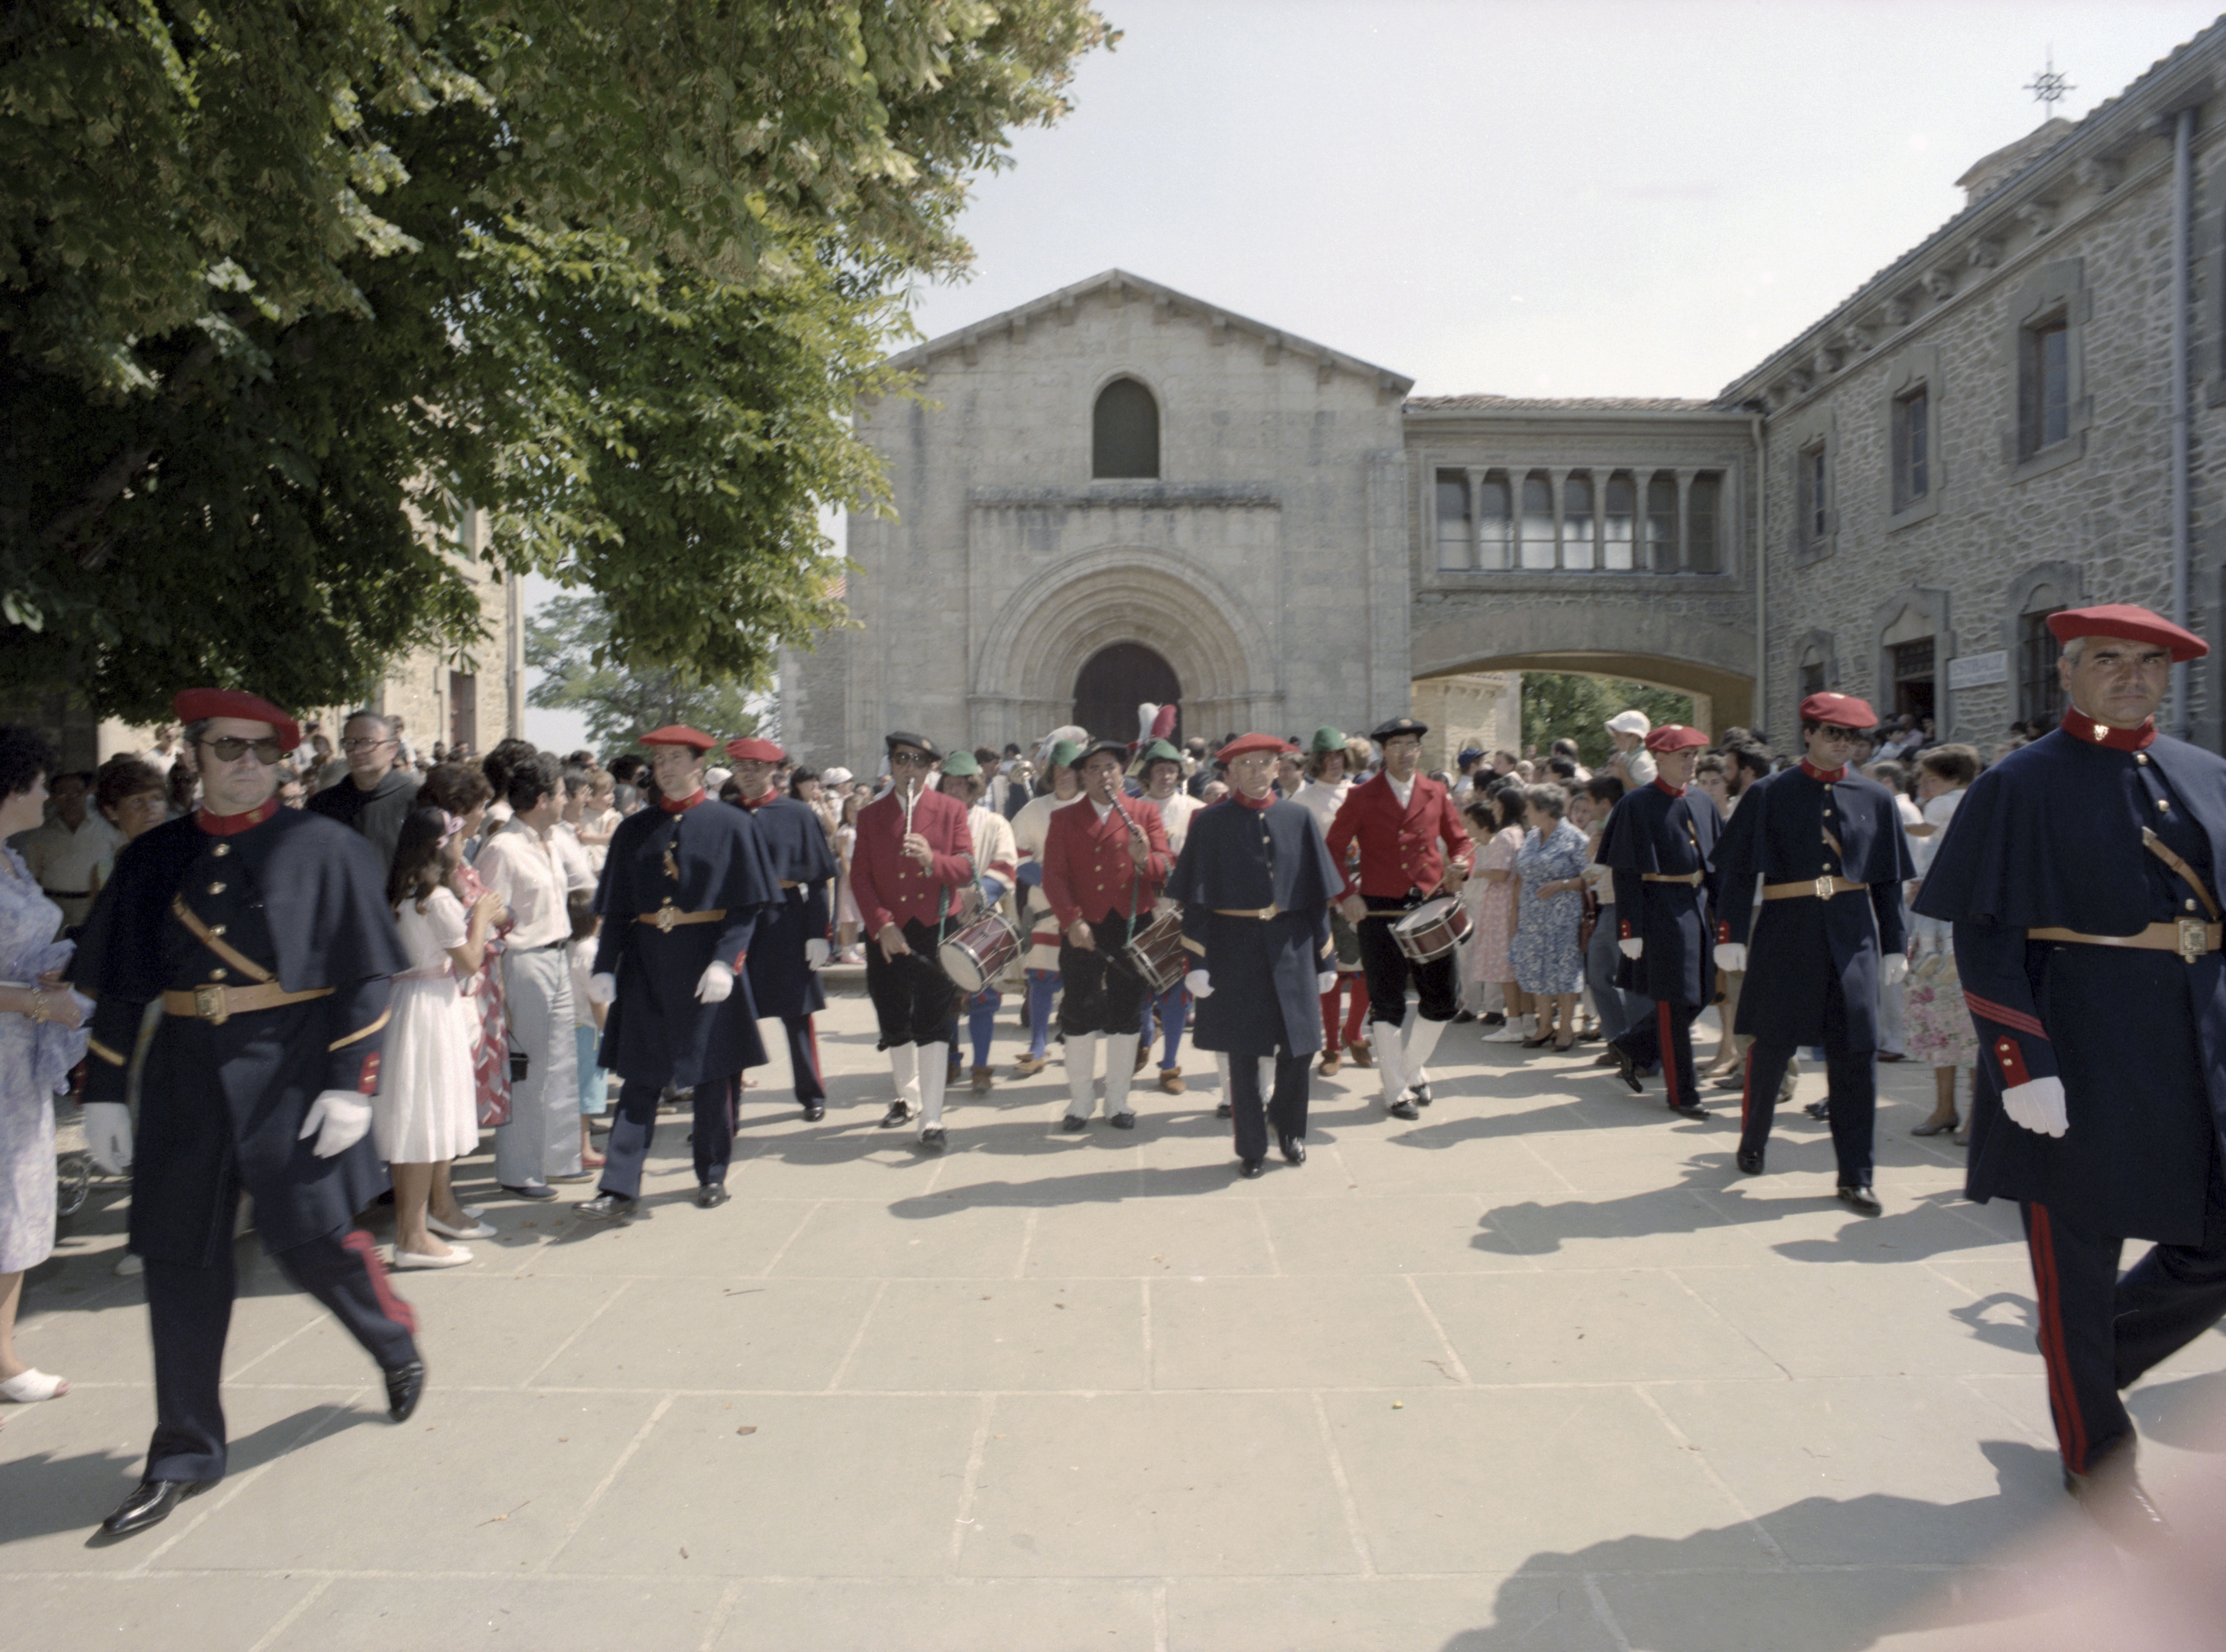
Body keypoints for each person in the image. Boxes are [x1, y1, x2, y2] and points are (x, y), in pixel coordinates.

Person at [72, 689, 419, 1538]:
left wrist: (353, 1081)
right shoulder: (153, 858)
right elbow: (121, 984)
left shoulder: (325, 847)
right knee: (178, 1259)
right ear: (193, 753)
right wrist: (105, 1091)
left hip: (292, 1071)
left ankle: (391, 1335)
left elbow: (365, 975)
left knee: (312, 1241)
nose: (249, 763)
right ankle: (183, 1450)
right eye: (229, 747)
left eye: (265, 750)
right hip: (186, 1075)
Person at [1914, 605, 2226, 1534]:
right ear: (2067, 671)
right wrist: (2023, 1063)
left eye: (2149, 661)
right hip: (2077, 1052)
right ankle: (2097, 1460)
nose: (2131, 675)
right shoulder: (2019, 783)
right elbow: (1985, 938)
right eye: (2108, 659)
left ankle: (2084, 1360)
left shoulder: (2205, 773)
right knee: (2079, 1267)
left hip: (2194, 1047)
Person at [1713, 692, 1915, 1215]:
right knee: (1772, 1044)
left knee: (1857, 1053)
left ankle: (1857, 1174)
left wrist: (1895, 944)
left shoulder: (1875, 797)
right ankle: (1753, 1138)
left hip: (1853, 936)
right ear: (1808, 733)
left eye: (1851, 736)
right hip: (1787, 932)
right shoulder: (1770, 792)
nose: (1842, 743)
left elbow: (1888, 880)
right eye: (1832, 733)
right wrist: (1730, 934)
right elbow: (1739, 870)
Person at [579, 727, 780, 1212]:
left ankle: (712, 1173)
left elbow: (746, 907)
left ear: (698, 764)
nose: (665, 768)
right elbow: (618, 908)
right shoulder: (633, 830)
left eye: (675, 758)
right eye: (659, 760)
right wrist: (605, 966)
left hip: (705, 961)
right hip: (646, 965)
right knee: (640, 1076)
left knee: (713, 1075)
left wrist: (725, 961)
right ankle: (618, 1185)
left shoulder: (732, 824)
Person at [1167, 734, 1341, 1177]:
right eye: (1246, 765)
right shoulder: (1210, 823)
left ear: (1278, 768)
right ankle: (1251, 1146)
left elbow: (1317, 897)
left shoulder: (1298, 818)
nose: (1257, 772)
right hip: (1234, 948)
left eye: (1265, 763)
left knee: (1300, 1048)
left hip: (1292, 946)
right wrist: (1197, 963)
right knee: (1243, 1053)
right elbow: (1196, 902)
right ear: (1230, 772)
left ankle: (1290, 1128)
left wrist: (1325, 957)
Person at [0, 726, 91, 1407]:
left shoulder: (12, 861)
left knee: (18, 1197)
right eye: (39, 786)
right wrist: (37, 1001)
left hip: (19, 1058)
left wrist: (50, 975)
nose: (49, 797)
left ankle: (3, 1354)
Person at [1325, 715, 1472, 1120]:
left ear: (1420, 750)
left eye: (1412, 745)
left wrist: (1462, 863)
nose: (1405, 753)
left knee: (1442, 1001)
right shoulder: (1362, 796)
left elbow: (1460, 841)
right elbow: (1332, 849)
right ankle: (1394, 1089)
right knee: (1387, 1002)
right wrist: (1347, 895)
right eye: (1396, 746)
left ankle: (1409, 1068)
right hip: (1379, 911)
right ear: (1383, 751)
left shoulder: (1436, 791)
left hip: (1430, 908)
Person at [376, 807, 500, 1268]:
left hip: (409, 1003)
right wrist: (481, 915)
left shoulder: (401, 892)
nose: (463, 844)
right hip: (430, 1007)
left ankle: (427, 1220)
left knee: (420, 1114)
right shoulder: (437, 898)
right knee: (422, 1118)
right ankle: (412, 1237)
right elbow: (469, 960)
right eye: (457, 838)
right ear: (438, 846)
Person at [848, 732, 974, 1149]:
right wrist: (881, 924)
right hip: (888, 931)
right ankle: (908, 1096)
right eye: (902, 759)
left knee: (935, 1020)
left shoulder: (951, 810)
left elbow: (967, 868)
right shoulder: (871, 815)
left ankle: (933, 1118)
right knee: (893, 1015)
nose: (910, 768)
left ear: (931, 768)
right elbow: (860, 877)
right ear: (891, 764)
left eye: (920, 761)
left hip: (935, 926)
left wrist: (932, 861)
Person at [474, 751, 590, 1198]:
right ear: (542, 799)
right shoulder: (503, 848)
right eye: (560, 793)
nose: (566, 800)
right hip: (524, 963)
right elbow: (488, 920)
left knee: (561, 1063)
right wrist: (499, 989)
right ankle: (519, 1170)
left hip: (558, 956)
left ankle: (559, 1158)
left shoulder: (550, 840)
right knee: (528, 1071)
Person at [1043, 739, 1171, 1131]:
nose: (1104, 775)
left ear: (1123, 772)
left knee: (1127, 1011)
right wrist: (1071, 920)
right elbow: (1054, 877)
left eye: (1111, 767)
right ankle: (1081, 1100)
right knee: (1078, 1010)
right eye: (1095, 768)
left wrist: (1142, 859)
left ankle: (1117, 1100)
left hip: (1131, 923)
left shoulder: (1145, 813)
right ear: (1083, 775)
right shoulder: (1064, 819)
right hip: (1083, 926)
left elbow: (1165, 867)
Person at [1598, 726, 1722, 1118]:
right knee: (1673, 1001)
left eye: (1694, 755)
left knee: (1703, 992)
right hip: (1660, 909)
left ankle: (1632, 1044)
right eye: (1684, 755)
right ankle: (1682, 1094)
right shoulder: (1636, 804)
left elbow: (1716, 865)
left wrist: (1723, 921)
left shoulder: (1701, 801)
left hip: (1697, 906)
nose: (1692, 762)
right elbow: (1626, 872)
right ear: (1660, 758)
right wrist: (1629, 929)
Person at [726, 736, 838, 1119]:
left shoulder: (798, 814)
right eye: (741, 767)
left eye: (756, 767)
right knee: (731, 1020)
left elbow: (819, 878)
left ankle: (812, 1094)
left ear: (773, 770)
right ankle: (726, 1108)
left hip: (785, 922)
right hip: (737, 924)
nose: (747, 774)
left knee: (797, 1015)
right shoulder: (724, 815)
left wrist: (818, 933)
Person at [1903, 743, 1981, 1138]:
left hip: (1963, 926)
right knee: (1936, 1020)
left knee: (1968, 1028)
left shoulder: (1972, 808)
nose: (1923, 789)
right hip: (1931, 924)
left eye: (1930, 780)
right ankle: (1944, 1108)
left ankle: (1975, 1114)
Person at [938, 750, 1018, 1093]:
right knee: (945, 997)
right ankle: (950, 1059)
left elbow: (1006, 866)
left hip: (983, 922)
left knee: (983, 998)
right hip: (942, 919)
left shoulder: (994, 823)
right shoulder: (933, 822)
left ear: (974, 787)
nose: (954, 789)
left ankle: (981, 1065)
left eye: (961, 784)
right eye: (948, 783)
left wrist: (977, 895)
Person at [1290, 728, 1366, 1074]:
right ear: (1317, 761)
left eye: (1339, 756)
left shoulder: (1361, 794)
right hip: (1323, 898)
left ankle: (1354, 1032)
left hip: (1363, 894)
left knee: (1367, 970)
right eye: (1327, 757)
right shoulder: (1302, 802)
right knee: (1330, 974)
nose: (1334, 763)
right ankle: (1332, 1048)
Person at [1008, 737, 1084, 1078]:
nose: (1065, 776)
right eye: (1059, 771)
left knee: (1082, 979)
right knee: (1041, 978)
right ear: (1050, 775)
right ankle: (1038, 1045)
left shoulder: (1094, 807)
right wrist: (1051, 882)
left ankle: (1077, 1041)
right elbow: (1017, 858)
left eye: (1071, 770)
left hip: (1084, 910)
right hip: (1044, 907)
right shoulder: (1032, 811)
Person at [1136, 738, 1203, 1092]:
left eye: (1172, 770)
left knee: (1177, 991)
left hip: (1181, 909)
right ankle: (1146, 1032)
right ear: (1148, 774)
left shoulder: (1197, 810)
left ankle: (1170, 1065)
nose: (1166, 776)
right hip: (1142, 906)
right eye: (1159, 770)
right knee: (1140, 985)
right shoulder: (1131, 808)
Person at [1509, 783, 1590, 1050]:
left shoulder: (1574, 838)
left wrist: (1562, 884)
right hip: (1532, 916)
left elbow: (1591, 877)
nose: (1526, 812)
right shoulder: (1533, 837)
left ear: (1545, 810)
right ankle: (1545, 1026)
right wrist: (1515, 913)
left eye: (1530, 807)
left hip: (1562, 917)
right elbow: (1521, 875)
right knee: (1535, 969)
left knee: (1564, 970)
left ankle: (1566, 1028)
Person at [307, 710, 418, 874]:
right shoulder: (322, 805)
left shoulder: (416, 800)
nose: (357, 751)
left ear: (392, 749)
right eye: (350, 743)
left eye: (368, 743)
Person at [10, 768, 117, 933]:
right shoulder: (40, 835)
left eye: (77, 792)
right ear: (53, 798)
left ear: (87, 794)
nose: (71, 798)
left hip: (95, 904)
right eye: (63, 793)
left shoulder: (107, 829)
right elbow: (33, 876)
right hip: (54, 905)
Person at [1468, 788, 1529, 1043]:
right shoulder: (1520, 832)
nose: (1493, 811)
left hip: (1501, 904)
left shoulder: (1504, 836)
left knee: (1505, 967)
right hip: (1514, 901)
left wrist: (1481, 871)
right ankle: (1527, 1021)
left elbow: (1501, 874)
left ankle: (1514, 1023)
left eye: (1495, 806)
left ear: (1503, 807)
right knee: (1515, 967)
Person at [1600, 710, 1658, 791]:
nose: (1615, 740)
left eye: (1618, 736)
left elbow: (1643, 794)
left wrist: (1623, 772)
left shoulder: (1642, 762)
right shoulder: (1628, 757)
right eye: (1614, 736)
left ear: (1635, 737)